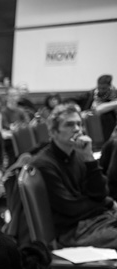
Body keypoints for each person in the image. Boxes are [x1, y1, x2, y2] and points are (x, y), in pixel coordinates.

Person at [31, 103, 116, 247]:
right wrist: (106, 204)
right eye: (69, 125)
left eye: (79, 124)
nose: (77, 129)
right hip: (71, 231)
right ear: (53, 132)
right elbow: (70, 208)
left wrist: (89, 159)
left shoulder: (79, 154)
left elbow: (100, 193)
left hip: (94, 220)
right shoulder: (44, 164)